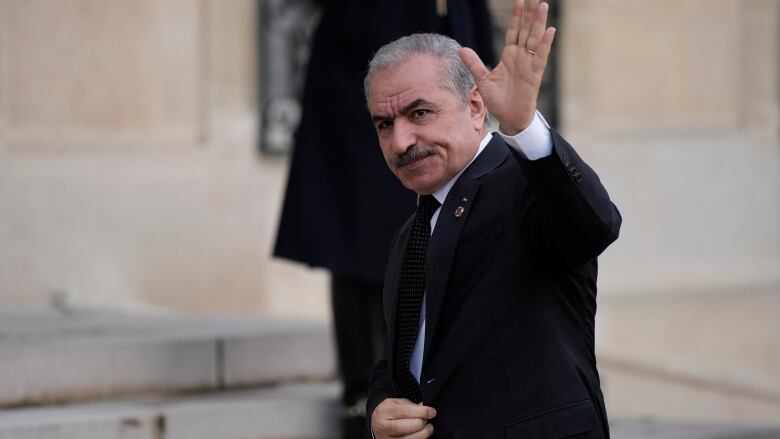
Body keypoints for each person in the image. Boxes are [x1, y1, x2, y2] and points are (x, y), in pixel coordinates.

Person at [363, 1, 621, 437]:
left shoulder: (525, 185)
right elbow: (405, 361)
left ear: (476, 107)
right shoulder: (412, 232)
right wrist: (378, 415)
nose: (402, 140)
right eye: (384, 125)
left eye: (419, 113)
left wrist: (523, 127)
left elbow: (593, 225)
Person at [273, 1, 495, 437]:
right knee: (357, 229)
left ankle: (427, 382)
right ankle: (362, 396)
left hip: (449, 41)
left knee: (446, 219)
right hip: (364, 55)